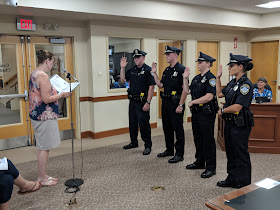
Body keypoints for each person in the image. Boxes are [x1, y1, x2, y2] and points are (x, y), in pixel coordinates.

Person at [29, 50, 70, 186]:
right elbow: (46, 99)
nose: (52, 65)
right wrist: (61, 95)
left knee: (43, 146)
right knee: (44, 147)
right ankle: (42, 178)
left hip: (37, 114)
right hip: (44, 116)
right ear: (47, 61)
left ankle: (43, 174)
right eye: (52, 62)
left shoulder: (34, 73)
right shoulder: (43, 76)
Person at [216, 53, 254, 188]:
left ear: (240, 66)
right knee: (231, 152)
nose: (229, 68)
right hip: (230, 122)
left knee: (240, 153)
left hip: (240, 124)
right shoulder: (233, 82)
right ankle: (232, 178)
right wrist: (218, 78)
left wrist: (223, 110)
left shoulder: (246, 85)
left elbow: (238, 106)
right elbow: (220, 93)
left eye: (231, 66)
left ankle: (244, 183)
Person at [184, 52, 218, 178]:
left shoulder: (211, 78)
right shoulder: (197, 78)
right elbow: (187, 91)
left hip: (206, 113)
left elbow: (209, 96)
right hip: (197, 113)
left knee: (208, 140)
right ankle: (199, 161)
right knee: (198, 138)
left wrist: (194, 102)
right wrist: (185, 78)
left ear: (208, 64)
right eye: (198, 62)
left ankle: (211, 167)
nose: (198, 64)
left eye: (201, 62)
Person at [151, 46, 187, 163]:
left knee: (178, 129)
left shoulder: (182, 70)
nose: (166, 56)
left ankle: (179, 153)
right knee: (167, 128)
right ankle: (169, 149)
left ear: (176, 55)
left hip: (176, 103)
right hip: (166, 103)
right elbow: (160, 85)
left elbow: (185, 90)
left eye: (168, 54)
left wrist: (181, 105)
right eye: (166, 54)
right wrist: (155, 73)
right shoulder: (167, 70)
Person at [120, 49, 155, 155]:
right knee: (133, 123)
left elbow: (151, 87)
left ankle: (148, 145)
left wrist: (148, 102)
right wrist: (122, 68)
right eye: (135, 57)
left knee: (144, 125)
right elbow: (122, 81)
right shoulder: (132, 70)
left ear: (143, 58)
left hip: (142, 102)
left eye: (138, 57)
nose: (136, 59)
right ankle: (133, 142)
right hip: (132, 101)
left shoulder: (148, 70)